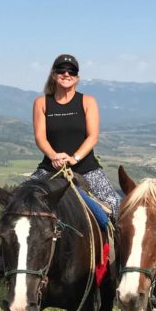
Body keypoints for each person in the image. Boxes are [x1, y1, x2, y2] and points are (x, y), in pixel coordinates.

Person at [29, 54, 121, 217]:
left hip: (85, 167)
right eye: (61, 70)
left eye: (71, 71)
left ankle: (116, 243)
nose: (66, 74)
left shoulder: (88, 101)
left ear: (77, 77)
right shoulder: (41, 103)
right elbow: (40, 137)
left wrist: (74, 158)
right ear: (53, 74)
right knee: (19, 197)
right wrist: (54, 156)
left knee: (115, 203)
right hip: (51, 166)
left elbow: (93, 136)